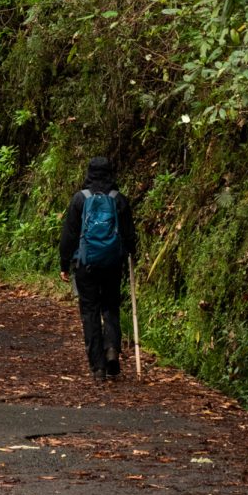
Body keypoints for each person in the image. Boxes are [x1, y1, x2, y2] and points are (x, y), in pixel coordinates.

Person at [59, 155, 138, 383]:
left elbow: (69, 236)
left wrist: (65, 264)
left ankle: (98, 367)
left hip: (86, 265)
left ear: (89, 173)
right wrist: (132, 254)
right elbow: (129, 235)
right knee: (111, 306)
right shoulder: (119, 199)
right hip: (113, 263)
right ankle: (112, 347)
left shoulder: (80, 200)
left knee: (90, 312)